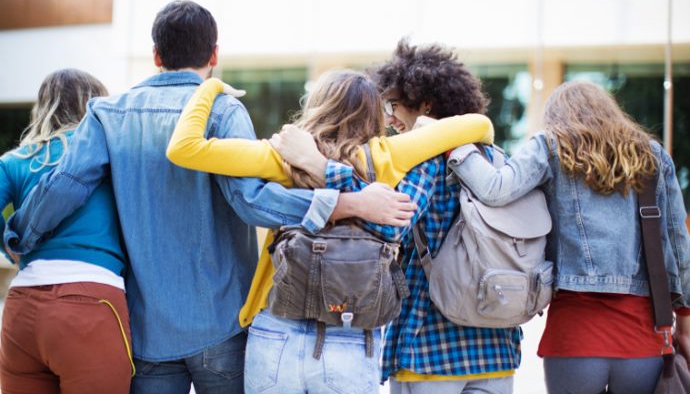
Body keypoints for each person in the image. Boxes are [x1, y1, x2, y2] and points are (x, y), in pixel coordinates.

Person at [3, 1, 413, 394]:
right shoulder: (223, 109)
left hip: (149, 330)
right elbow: (250, 202)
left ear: (155, 54)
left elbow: (67, 184)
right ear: (214, 54)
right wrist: (338, 204)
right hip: (223, 324)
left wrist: (21, 234)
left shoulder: (108, 113)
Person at [167, 69, 495, 393]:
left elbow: (183, 148)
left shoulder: (281, 156)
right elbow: (481, 125)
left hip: (278, 328)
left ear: (318, 106)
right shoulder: (388, 155)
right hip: (352, 329)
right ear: (372, 115)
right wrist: (425, 128)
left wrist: (209, 87)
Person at [246, 39, 522, 393]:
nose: (389, 119)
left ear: (425, 104)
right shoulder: (497, 157)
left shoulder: (427, 161)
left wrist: (321, 167)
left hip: (432, 350)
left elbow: (386, 221)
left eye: (393, 106)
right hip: (498, 347)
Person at [448, 80, 690, 394]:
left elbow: (495, 189)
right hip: (643, 338)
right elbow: (677, 241)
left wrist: (457, 148)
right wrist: (684, 321)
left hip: (574, 335)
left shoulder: (549, 146)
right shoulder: (651, 155)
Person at [0, 69, 133, 394]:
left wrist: (9, 246)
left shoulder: (15, 161)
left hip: (21, 309)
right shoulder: (114, 155)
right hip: (93, 306)